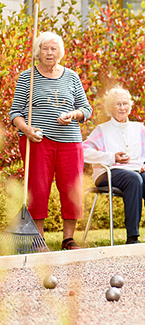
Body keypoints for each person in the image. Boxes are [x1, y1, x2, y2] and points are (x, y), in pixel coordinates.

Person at [9, 31, 93, 250]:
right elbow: (15, 112)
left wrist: (73, 115)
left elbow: (86, 109)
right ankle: (38, 240)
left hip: (70, 141)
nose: (48, 52)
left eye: (53, 48)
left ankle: (68, 239)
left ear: (60, 53)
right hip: (38, 141)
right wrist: (26, 129)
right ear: (38, 51)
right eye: (45, 48)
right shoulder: (28, 77)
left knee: (71, 188)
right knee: (38, 188)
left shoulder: (72, 76)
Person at [83, 87, 145, 244]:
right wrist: (110, 157)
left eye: (125, 103)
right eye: (117, 104)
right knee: (134, 179)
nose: (122, 108)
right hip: (109, 172)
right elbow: (83, 151)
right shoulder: (102, 129)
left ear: (130, 106)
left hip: (137, 170)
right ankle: (132, 237)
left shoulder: (139, 128)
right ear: (110, 107)